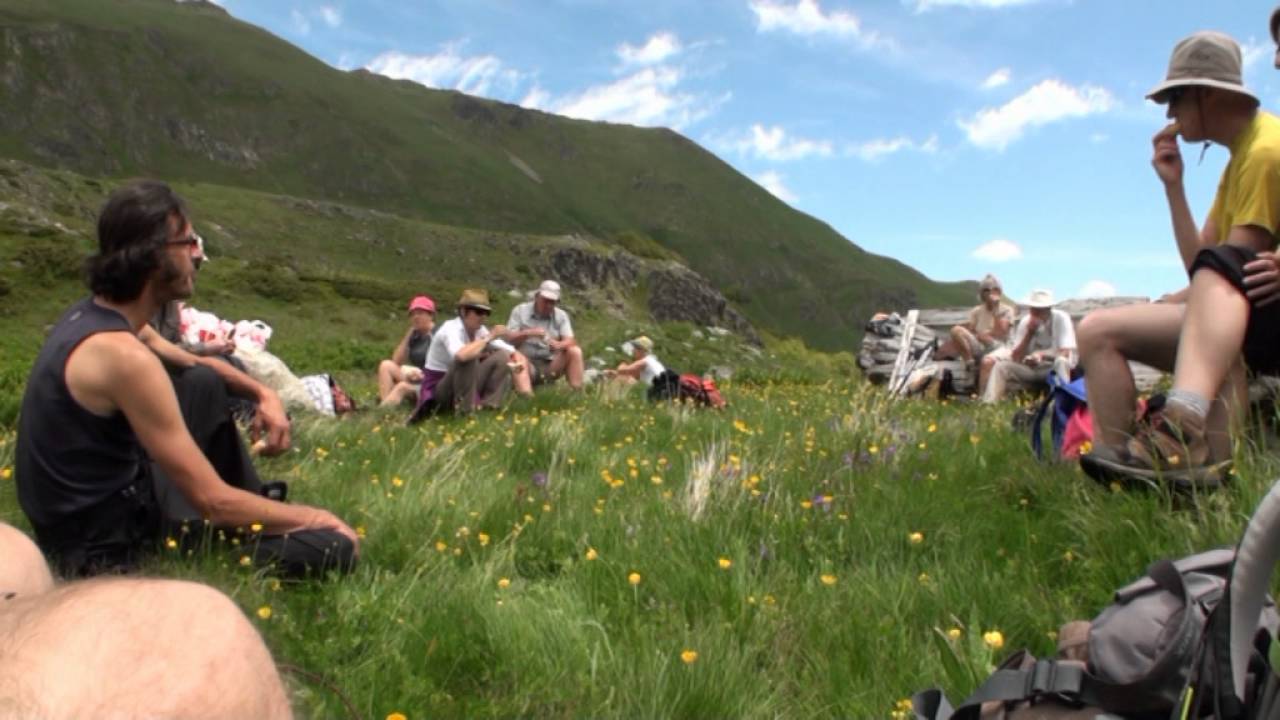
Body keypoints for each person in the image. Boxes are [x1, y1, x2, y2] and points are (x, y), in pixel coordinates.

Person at [15, 180, 359, 579]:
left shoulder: (101, 318)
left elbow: (195, 364)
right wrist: (315, 517)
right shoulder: (124, 356)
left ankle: (251, 509)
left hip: (86, 514)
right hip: (101, 551)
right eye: (189, 242)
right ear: (152, 255)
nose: (197, 255)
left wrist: (264, 393)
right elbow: (214, 503)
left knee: (200, 382)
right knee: (334, 546)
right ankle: (225, 550)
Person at [1078, 30, 1280, 485]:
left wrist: (1178, 302)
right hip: (1246, 309)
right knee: (1103, 327)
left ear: (1205, 93)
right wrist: (1174, 187)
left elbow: (1228, 269)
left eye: (1175, 97)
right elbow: (1208, 264)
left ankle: (1164, 443)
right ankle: (1146, 466)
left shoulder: (1266, 152)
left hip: (1263, 317)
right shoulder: (1242, 154)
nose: (1169, 113)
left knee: (1099, 331)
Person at [0, 523, 292, 718]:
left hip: (78, 529)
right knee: (200, 625)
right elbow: (213, 498)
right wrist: (309, 516)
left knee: (16, 553)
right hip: (102, 537)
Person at [409, 288, 530, 419]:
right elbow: (461, 355)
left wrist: (516, 359)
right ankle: (465, 413)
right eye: (478, 312)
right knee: (467, 358)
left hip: (463, 382)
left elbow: (507, 349)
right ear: (463, 311)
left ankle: (490, 407)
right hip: (439, 389)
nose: (483, 317)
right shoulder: (450, 328)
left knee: (502, 356)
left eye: (486, 313)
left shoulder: (479, 330)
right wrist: (489, 337)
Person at [981, 290, 1076, 404]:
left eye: (1040, 309)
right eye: (1033, 308)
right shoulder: (1025, 322)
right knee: (1001, 367)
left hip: (1050, 368)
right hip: (1031, 369)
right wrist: (1029, 333)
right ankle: (989, 403)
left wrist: (1041, 355)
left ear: (1048, 309)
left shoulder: (1061, 318)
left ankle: (1061, 403)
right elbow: (1016, 357)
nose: (1036, 313)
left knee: (1061, 361)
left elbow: (1065, 352)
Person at [936, 273, 1015, 395]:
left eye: (994, 290)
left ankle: (983, 396)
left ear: (999, 292)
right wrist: (978, 337)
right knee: (956, 330)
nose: (990, 293)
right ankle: (970, 364)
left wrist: (995, 310)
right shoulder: (977, 311)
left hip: (1000, 345)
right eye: (986, 290)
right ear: (981, 293)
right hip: (980, 344)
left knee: (986, 360)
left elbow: (1002, 332)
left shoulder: (1006, 310)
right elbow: (972, 331)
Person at [504, 280, 584, 390]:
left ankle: (577, 392)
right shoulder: (520, 311)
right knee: (516, 356)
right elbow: (508, 340)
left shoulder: (561, 316)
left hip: (550, 364)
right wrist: (528, 333)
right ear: (537, 296)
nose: (549, 305)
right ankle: (526, 395)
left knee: (575, 351)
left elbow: (571, 340)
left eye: (552, 302)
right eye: (546, 301)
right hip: (525, 364)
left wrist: (560, 345)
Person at [378, 295, 437, 406]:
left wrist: (424, 376)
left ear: (431, 315)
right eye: (413, 314)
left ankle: (382, 411)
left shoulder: (438, 334)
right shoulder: (415, 335)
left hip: (432, 382)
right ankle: (386, 402)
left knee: (402, 386)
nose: (415, 317)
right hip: (419, 376)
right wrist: (408, 336)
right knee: (385, 365)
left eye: (420, 313)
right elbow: (396, 361)